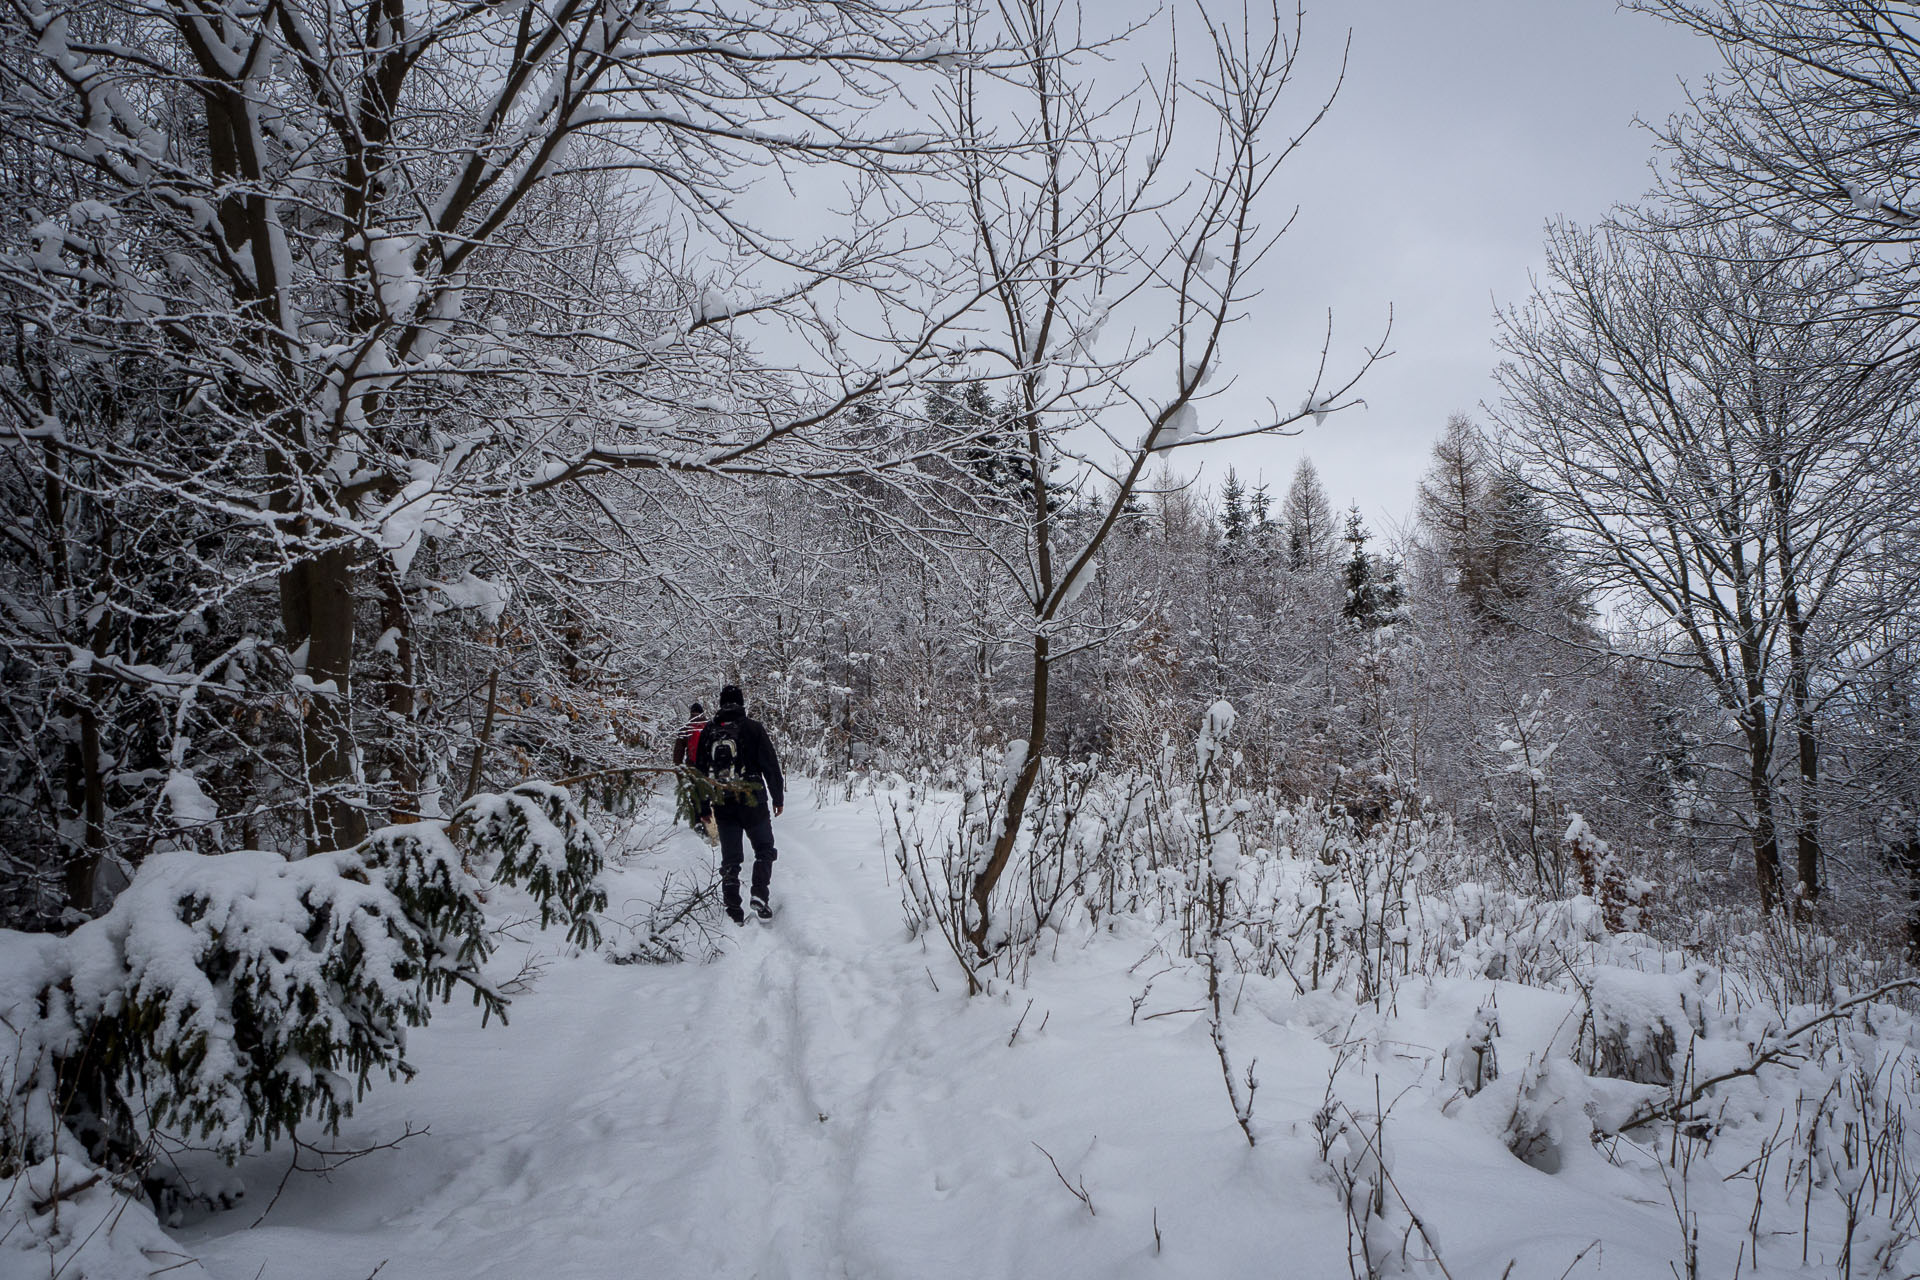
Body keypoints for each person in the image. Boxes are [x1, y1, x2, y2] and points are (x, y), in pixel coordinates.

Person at [694, 684, 785, 923]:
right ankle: (759, 893)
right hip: (753, 801)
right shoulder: (753, 729)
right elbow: (770, 765)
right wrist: (778, 798)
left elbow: (700, 772)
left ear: (721, 703)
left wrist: (702, 807)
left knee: (731, 859)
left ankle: (733, 911)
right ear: (742, 703)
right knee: (764, 849)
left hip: (723, 801)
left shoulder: (709, 731)